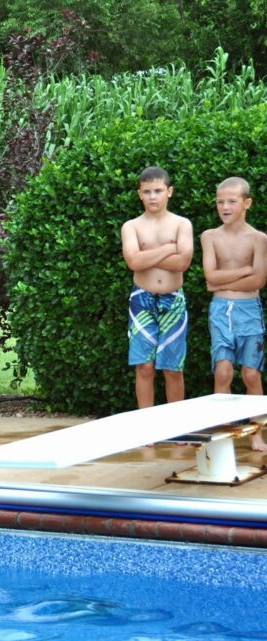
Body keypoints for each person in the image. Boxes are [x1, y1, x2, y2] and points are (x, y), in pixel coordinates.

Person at [201, 176, 267, 451]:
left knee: (251, 374)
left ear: (246, 203)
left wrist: (220, 282)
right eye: (220, 201)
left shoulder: (259, 239)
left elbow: (258, 281)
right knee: (223, 372)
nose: (224, 206)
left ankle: (257, 434)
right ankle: (225, 434)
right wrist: (243, 270)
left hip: (249, 310)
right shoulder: (210, 236)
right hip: (220, 310)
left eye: (231, 201)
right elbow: (209, 277)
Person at [121, 166, 194, 409]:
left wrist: (146, 256)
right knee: (144, 365)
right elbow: (133, 261)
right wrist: (168, 249)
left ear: (169, 192)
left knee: (173, 368)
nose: (153, 196)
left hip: (173, 300)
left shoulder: (182, 224)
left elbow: (183, 262)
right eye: (147, 191)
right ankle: (147, 427)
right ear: (139, 194)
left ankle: (176, 426)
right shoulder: (131, 227)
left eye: (158, 191)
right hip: (141, 300)